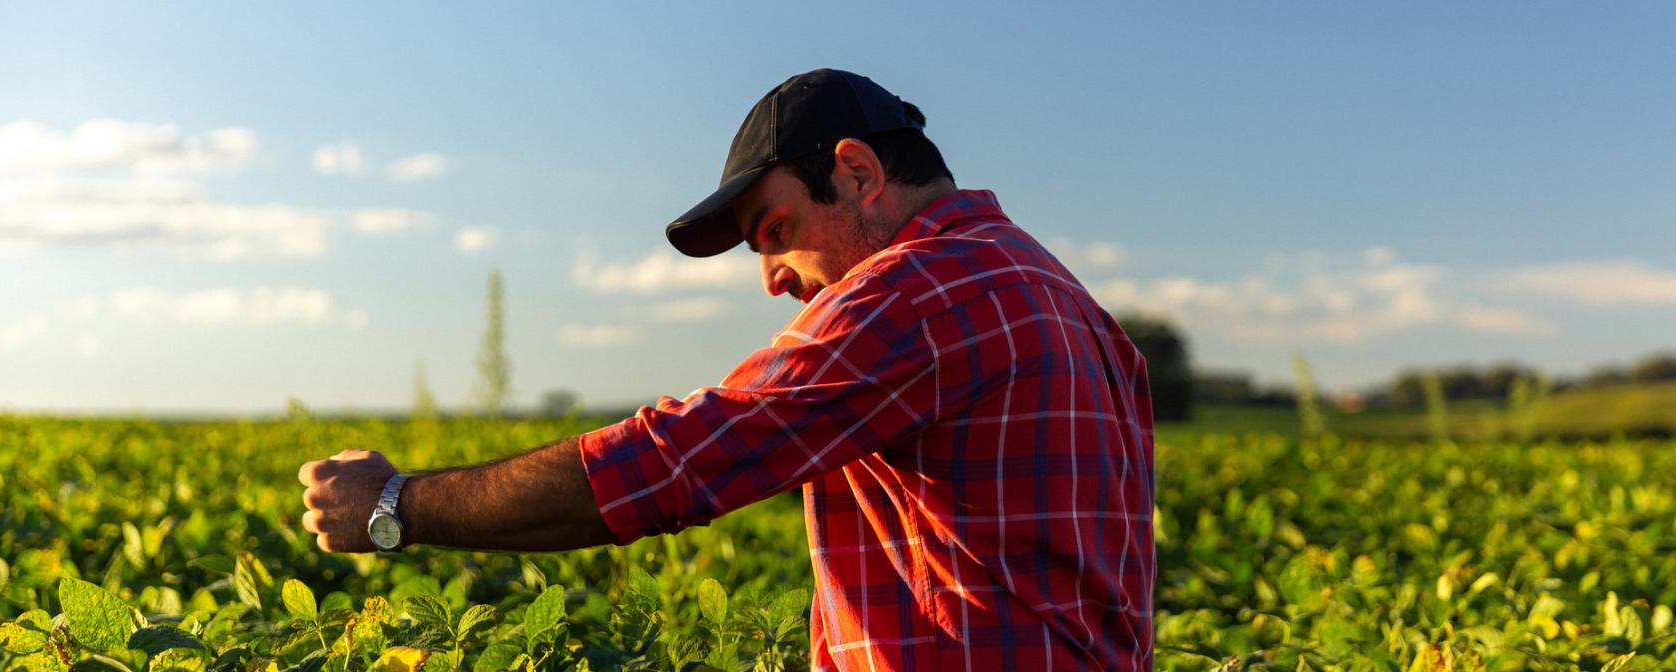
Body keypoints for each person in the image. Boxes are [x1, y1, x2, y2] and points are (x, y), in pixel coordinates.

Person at [299, 68, 1156, 670]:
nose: (772, 277)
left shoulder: (919, 293)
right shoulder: (1064, 297)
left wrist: (394, 505)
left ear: (858, 173)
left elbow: (673, 464)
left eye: (776, 231)